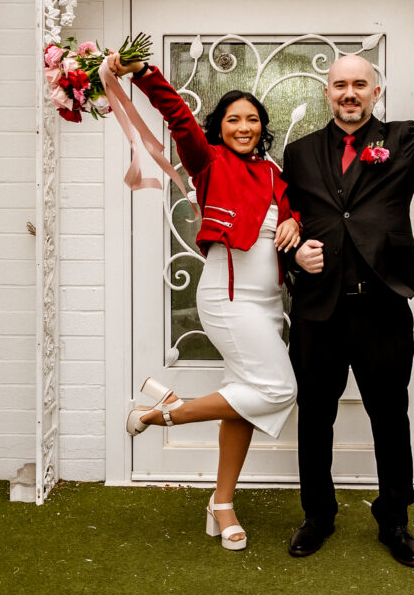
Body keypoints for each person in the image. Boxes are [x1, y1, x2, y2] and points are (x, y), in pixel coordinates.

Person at [282, 11, 414, 566]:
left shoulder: (403, 141)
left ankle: (394, 520)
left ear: (376, 91)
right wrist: (293, 250)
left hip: (383, 308)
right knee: (315, 416)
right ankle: (317, 516)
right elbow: (280, 220)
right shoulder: (299, 153)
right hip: (318, 311)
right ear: (327, 92)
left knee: (389, 416)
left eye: (359, 85)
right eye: (340, 85)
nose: (350, 94)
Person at [106, 52, 299, 551]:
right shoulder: (208, 161)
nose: (244, 126)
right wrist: (145, 74)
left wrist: (295, 220)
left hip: (268, 304)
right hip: (227, 298)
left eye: (252, 119)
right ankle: (162, 412)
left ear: (262, 128)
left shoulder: (275, 175)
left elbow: (290, 213)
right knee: (279, 390)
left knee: (244, 401)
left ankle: (222, 503)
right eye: (234, 118)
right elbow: (178, 117)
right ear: (221, 127)